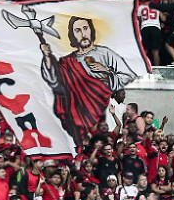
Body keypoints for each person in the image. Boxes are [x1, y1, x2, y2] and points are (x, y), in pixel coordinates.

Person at [40, 16, 137, 146]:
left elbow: (128, 75)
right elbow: (54, 80)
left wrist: (107, 71)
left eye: (85, 28)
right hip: (77, 113)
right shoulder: (67, 61)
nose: (83, 33)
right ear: (72, 35)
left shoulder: (105, 53)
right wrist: (47, 57)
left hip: (103, 111)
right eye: (78, 30)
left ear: (91, 30)